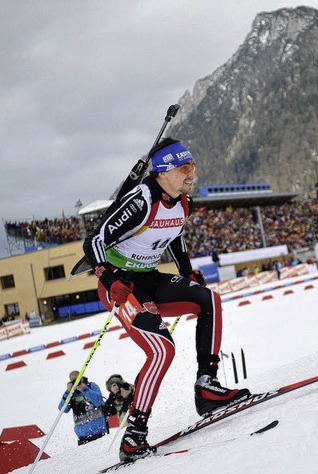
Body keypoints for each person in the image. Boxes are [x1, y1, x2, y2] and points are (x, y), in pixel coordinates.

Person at [83, 137, 250, 462]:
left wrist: (186, 271)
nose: (192, 174)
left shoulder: (182, 202)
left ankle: (207, 386)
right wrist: (108, 276)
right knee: (163, 348)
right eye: (184, 168)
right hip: (123, 285)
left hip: (149, 277)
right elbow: (95, 241)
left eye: (193, 166)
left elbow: (174, 236)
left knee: (209, 300)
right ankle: (134, 436)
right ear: (161, 172)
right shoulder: (141, 201)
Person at [58, 370, 109, 445]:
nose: (76, 382)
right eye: (74, 380)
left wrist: (84, 389)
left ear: (82, 378)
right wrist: (67, 393)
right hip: (82, 435)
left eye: (78, 379)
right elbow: (63, 409)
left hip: (99, 431)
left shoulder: (91, 386)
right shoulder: (71, 393)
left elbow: (98, 401)